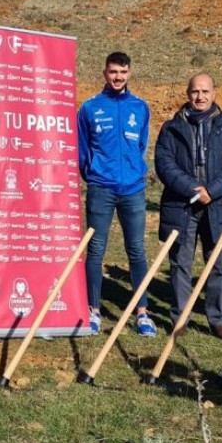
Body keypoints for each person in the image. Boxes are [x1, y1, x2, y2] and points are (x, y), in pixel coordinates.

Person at [154, 73, 222, 339]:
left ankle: (217, 319)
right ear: (187, 93)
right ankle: (180, 318)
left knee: (216, 264)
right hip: (181, 204)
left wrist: (212, 190)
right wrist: (194, 189)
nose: (200, 97)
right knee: (180, 262)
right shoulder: (171, 128)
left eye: (205, 91)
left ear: (214, 93)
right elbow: (164, 164)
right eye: (195, 91)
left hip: (218, 204)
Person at [77, 51, 157, 336]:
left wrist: (135, 171)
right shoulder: (89, 108)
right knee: (96, 249)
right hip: (101, 189)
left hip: (133, 190)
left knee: (136, 250)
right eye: (113, 72)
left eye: (122, 72)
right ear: (104, 73)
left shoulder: (140, 107)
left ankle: (143, 312)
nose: (118, 77)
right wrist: (95, 175)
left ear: (129, 73)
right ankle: (93, 310)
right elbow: (82, 149)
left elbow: (142, 145)